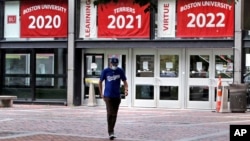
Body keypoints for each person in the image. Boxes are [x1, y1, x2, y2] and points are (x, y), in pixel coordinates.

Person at [98, 57, 128, 140]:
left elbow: (125, 81)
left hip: (117, 96)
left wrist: (126, 89)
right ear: (110, 63)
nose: (114, 65)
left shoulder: (120, 71)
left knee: (114, 114)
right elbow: (100, 82)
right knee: (110, 113)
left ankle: (112, 130)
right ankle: (110, 131)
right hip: (108, 96)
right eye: (113, 64)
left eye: (116, 64)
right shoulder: (105, 71)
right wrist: (101, 94)